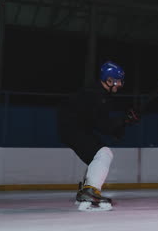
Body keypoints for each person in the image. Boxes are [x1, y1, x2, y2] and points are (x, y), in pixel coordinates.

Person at [57, 61, 139, 211]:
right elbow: (104, 124)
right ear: (109, 80)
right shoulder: (96, 95)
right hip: (73, 129)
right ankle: (89, 192)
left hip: (73, 128)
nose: (120, 84)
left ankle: (85, 191)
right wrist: (124, 120)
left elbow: (102, 123)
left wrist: (123, 123)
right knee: (104, 154)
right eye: (118, 80)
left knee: (97, 157)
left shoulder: (98, 93)